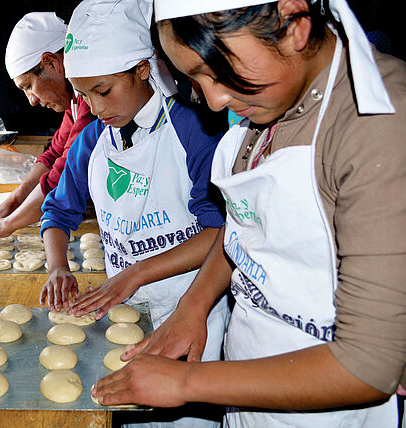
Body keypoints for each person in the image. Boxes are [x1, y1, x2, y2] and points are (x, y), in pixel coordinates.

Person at [91, 0, 406, 427]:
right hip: (247, 392)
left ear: (292, 22)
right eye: (196, 80)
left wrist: (187, 382)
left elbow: (366, 365)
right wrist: (195, 304)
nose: (215, 100)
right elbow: (246, 225)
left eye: (218, 71)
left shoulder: (376, 125)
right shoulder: (271, 98)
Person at [40, 1, 229, 425]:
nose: (96, 106)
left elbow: (221, 232)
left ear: (143, 69)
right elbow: (57, 211)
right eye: (84, 94)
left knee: (185, 416)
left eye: (103, 90)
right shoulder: (92, 141)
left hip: (189, 308)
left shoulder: (194, 131)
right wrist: (57, 267)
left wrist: (136, 272)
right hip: (124, 310)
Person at [0, 12, 94, 239]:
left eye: (29, 86)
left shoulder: (92, 99)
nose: (32, 100)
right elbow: (53, 155)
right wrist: (10, 204)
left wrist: (7, 225)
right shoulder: (75, 100)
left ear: (51, 62)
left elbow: (62, 173)